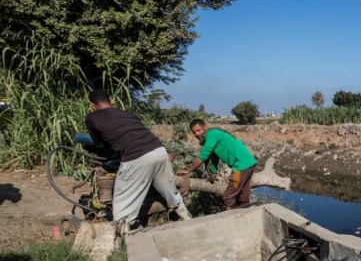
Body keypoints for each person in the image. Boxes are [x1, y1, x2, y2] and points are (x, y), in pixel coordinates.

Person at [85, 90, 191, 229]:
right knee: (169, 190)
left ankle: (121, 237)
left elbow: (100, 145)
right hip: (159, 151)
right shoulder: (126, 114)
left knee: (123, 204)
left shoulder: (92, 118)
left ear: (92, 104)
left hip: (137, 157)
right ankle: (188, 219)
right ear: (111, 100)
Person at [177, 119, 258, 209]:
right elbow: (214, 157)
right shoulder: (213, 135)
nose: (197, 134)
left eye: (198, 130)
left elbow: (204, 156)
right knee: (243, 194)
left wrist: (188, 170)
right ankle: (246, 214)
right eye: (194, 132)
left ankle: (233, 218)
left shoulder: (211, 134)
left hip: (240, 168)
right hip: (249, 164)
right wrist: (214, 172)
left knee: (229, 197)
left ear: (205, 127)